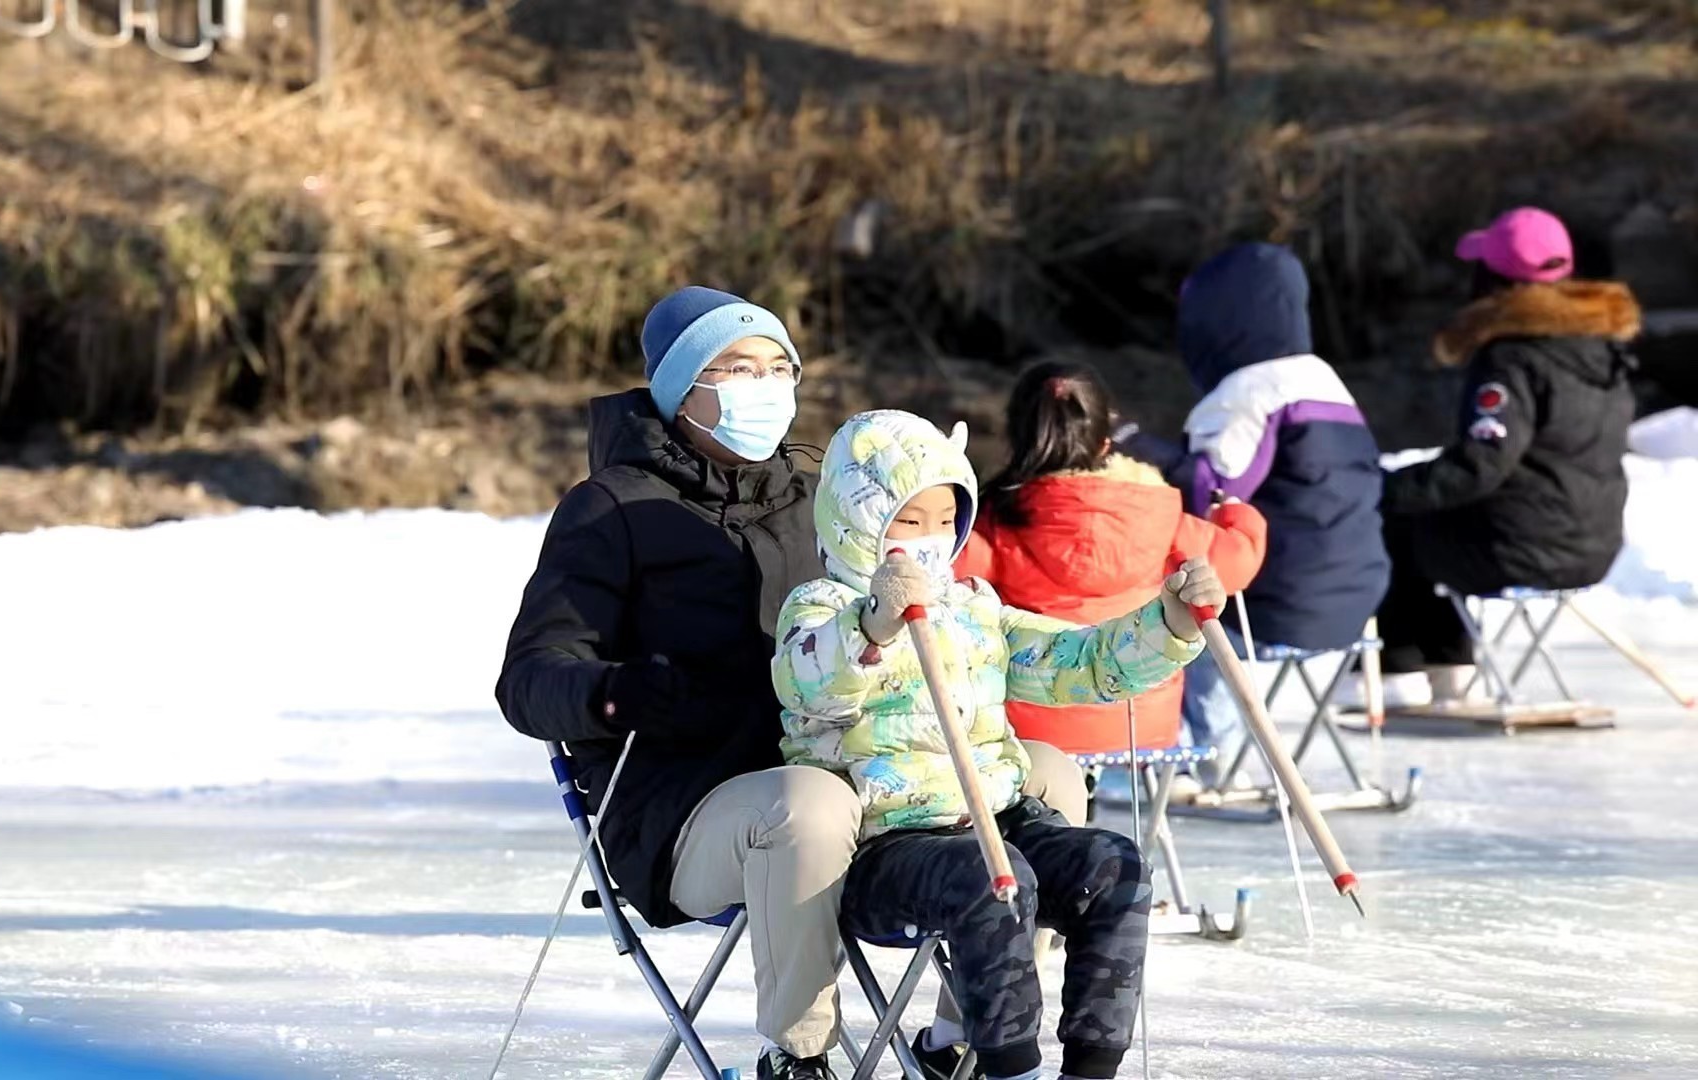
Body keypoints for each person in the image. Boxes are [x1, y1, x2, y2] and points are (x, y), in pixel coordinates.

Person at [495, 287, 1085, 1080]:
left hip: (867, 776)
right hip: (689, 807)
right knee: (807, 803)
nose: (766, 386)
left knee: (1049, 772)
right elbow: (529, 679)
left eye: (781, 367)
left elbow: (921, 587)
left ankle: (964, 1039)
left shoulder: (822, 489)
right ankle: (798, 1055)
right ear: (681, 387)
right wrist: (614, 692)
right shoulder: (609, 511)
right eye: (738, 368)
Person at [771, 409, 1224, 1080]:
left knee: (1115, 866)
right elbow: (807, 684)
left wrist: (1170, 622)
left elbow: (1079, 660)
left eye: (945, 521)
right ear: (858, 521)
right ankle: (1007, 1068)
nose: (931, 540)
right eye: (909, 521)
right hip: (887, 843)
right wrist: (874, 625)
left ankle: (1092, 1066)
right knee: (995, 877)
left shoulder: (974, 609)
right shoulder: (822, 605)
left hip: (999, 816)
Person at [1120, 242, 1389, 760]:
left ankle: (1202, 748)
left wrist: (1134, 444)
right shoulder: (1328, 383)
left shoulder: (1249, 390)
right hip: (1357, 599)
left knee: (1172, 586)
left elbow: (1212, 493)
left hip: (1275, 608)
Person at [958, 361, 1267, 792]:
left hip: (1030, 727)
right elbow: (1235, 562)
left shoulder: (999, 518)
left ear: (1016, 438)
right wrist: (1236, 514)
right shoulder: (1156, 509)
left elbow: (947, 579)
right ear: (1106, 442)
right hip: (1142, 726)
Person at [1377, 207, 1641, 704]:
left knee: (1399, 523)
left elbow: (1481, 464)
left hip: (1524, 550)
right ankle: (1451, 667)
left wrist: (1386, 487)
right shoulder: (1601, 352)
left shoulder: (1513, 357)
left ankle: (1405, 671)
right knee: (1436, 522)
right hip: (1595, 546)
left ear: (1495, 278)